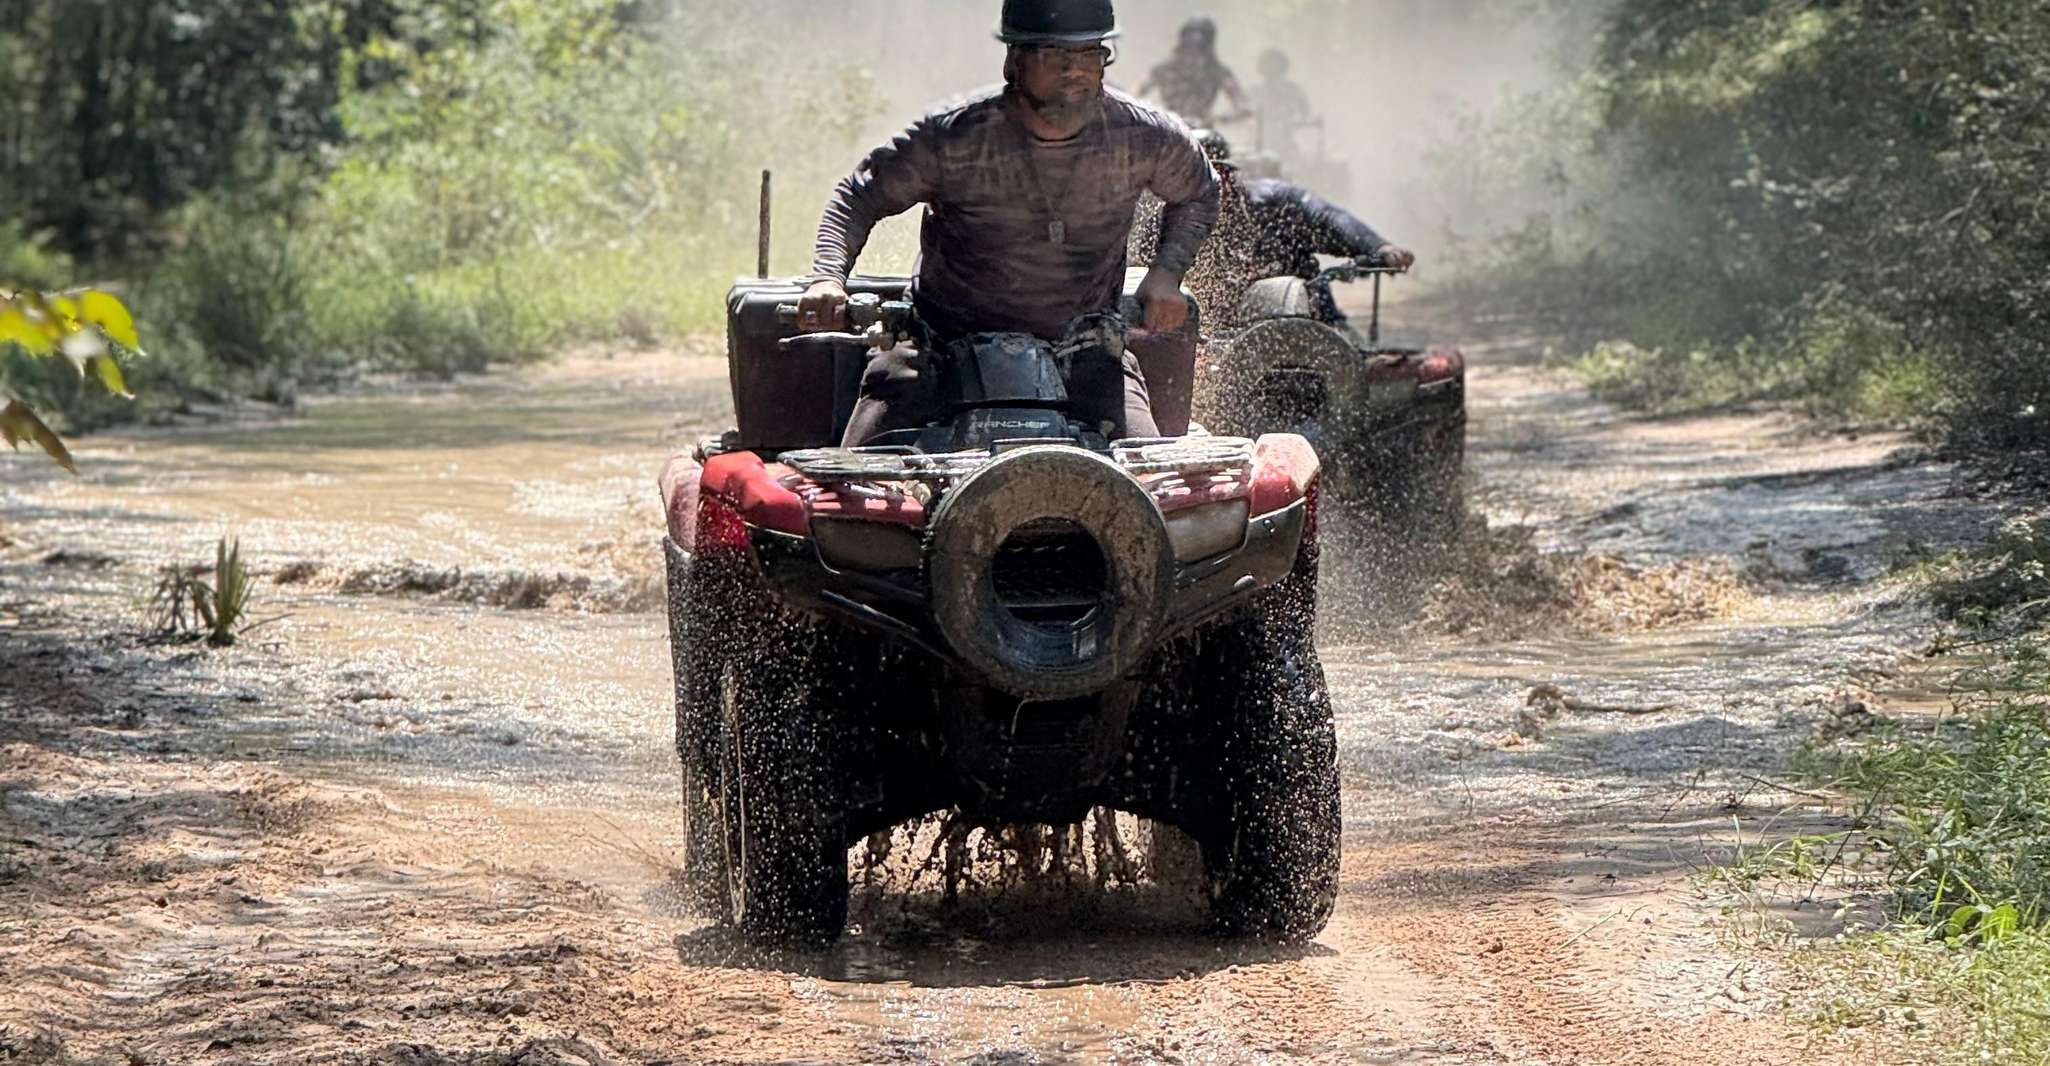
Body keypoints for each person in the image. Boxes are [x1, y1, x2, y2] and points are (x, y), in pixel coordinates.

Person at [800, 0, 1220, 445]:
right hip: (938, 347)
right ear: (1014, 61)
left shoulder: (1144, 137)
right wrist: (827, 277)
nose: (1075, 71)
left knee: (1146, 484)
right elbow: (857, 197)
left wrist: (1166, 275)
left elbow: (1200, 192)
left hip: (1085, 350)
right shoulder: (951, 137)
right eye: (1056, 56)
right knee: (860, 487)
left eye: (1090, 55)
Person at [1131, 131, 1414, 331]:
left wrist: (1378, 248)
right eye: (1193, 176)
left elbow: (1328, 218)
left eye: (1213, 175)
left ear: (1228, 175)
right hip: (1215, 340)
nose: (1205, 185)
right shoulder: (1165, 222)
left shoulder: (1275, 203)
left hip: (1307, 323)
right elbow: (1140, 279)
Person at [1136, 16, 1250, 128]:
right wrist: (1154, 116)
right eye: (1189, 45)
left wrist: (1216, 119)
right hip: (1169, 131)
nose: (1193, 52)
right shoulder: (1163, 69)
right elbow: (1134, 96)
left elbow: (1243, 106)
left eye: (1199, 47)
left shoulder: (1217, 71)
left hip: (1203, 133)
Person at [1250, 49, 1313, 162]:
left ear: (1283, 67)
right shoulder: (1254, 92)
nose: (1273, 70)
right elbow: (1244, 116)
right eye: (1269, 65)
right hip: (1258, 143)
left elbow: (1304, 114)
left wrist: (1290, 122)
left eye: (1276, 66)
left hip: (1286, 142)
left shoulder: (1293, 91)